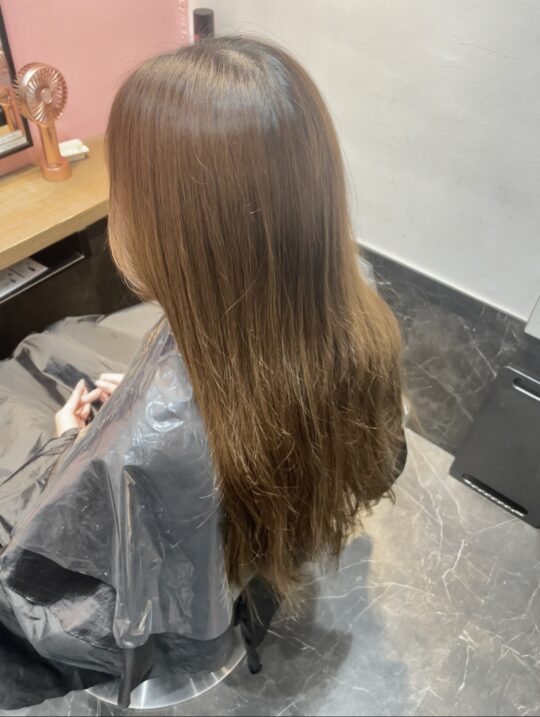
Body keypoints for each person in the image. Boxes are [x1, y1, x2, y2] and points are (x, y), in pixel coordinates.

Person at [0, 36, 406, 709]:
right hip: (211, 500)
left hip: (169, 551)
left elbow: (44, 602)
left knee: (37, 354)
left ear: (166, 225)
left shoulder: (154, 445)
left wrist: (72, 446)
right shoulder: (361, 315)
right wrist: (134, 415)